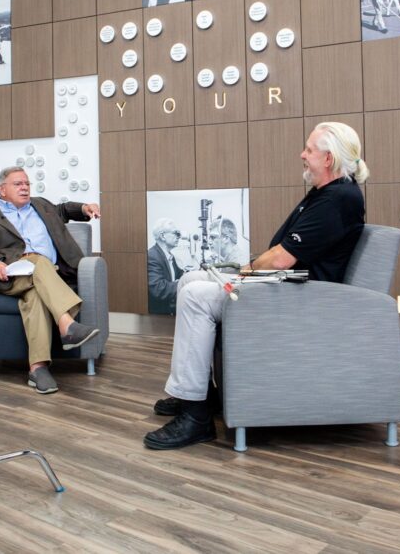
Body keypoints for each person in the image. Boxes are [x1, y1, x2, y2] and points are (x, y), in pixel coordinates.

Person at [144, 123, 367, 450]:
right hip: (288, 288)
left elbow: (281, 259)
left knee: (194, 296)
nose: (302, 155)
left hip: (301, 299)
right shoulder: (329, 194)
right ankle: (202, 394)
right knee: (191, 280)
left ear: (329, 159)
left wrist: (244, 273)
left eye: (308, 149)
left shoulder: (338, 198)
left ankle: (196, 417)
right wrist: (247, 272)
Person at [0, 167, 102, 394]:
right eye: (18, 184)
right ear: (2, 190)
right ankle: (67, 325)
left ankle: (37, 369)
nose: (24, 188)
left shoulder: (42, 205)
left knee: (36, 297)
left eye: (27, 184)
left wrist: (84, 207)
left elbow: (64, 209)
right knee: (37, 260)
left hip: (50, 275)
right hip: (14, 276)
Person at [147, 218, 185, 315]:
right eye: (175, 233)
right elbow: (158, 289)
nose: (179, 237)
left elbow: (178, 275)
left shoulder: (168, 256)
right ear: (163, 236)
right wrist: (183, 283)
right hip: (159, 317)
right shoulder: (152, 256)